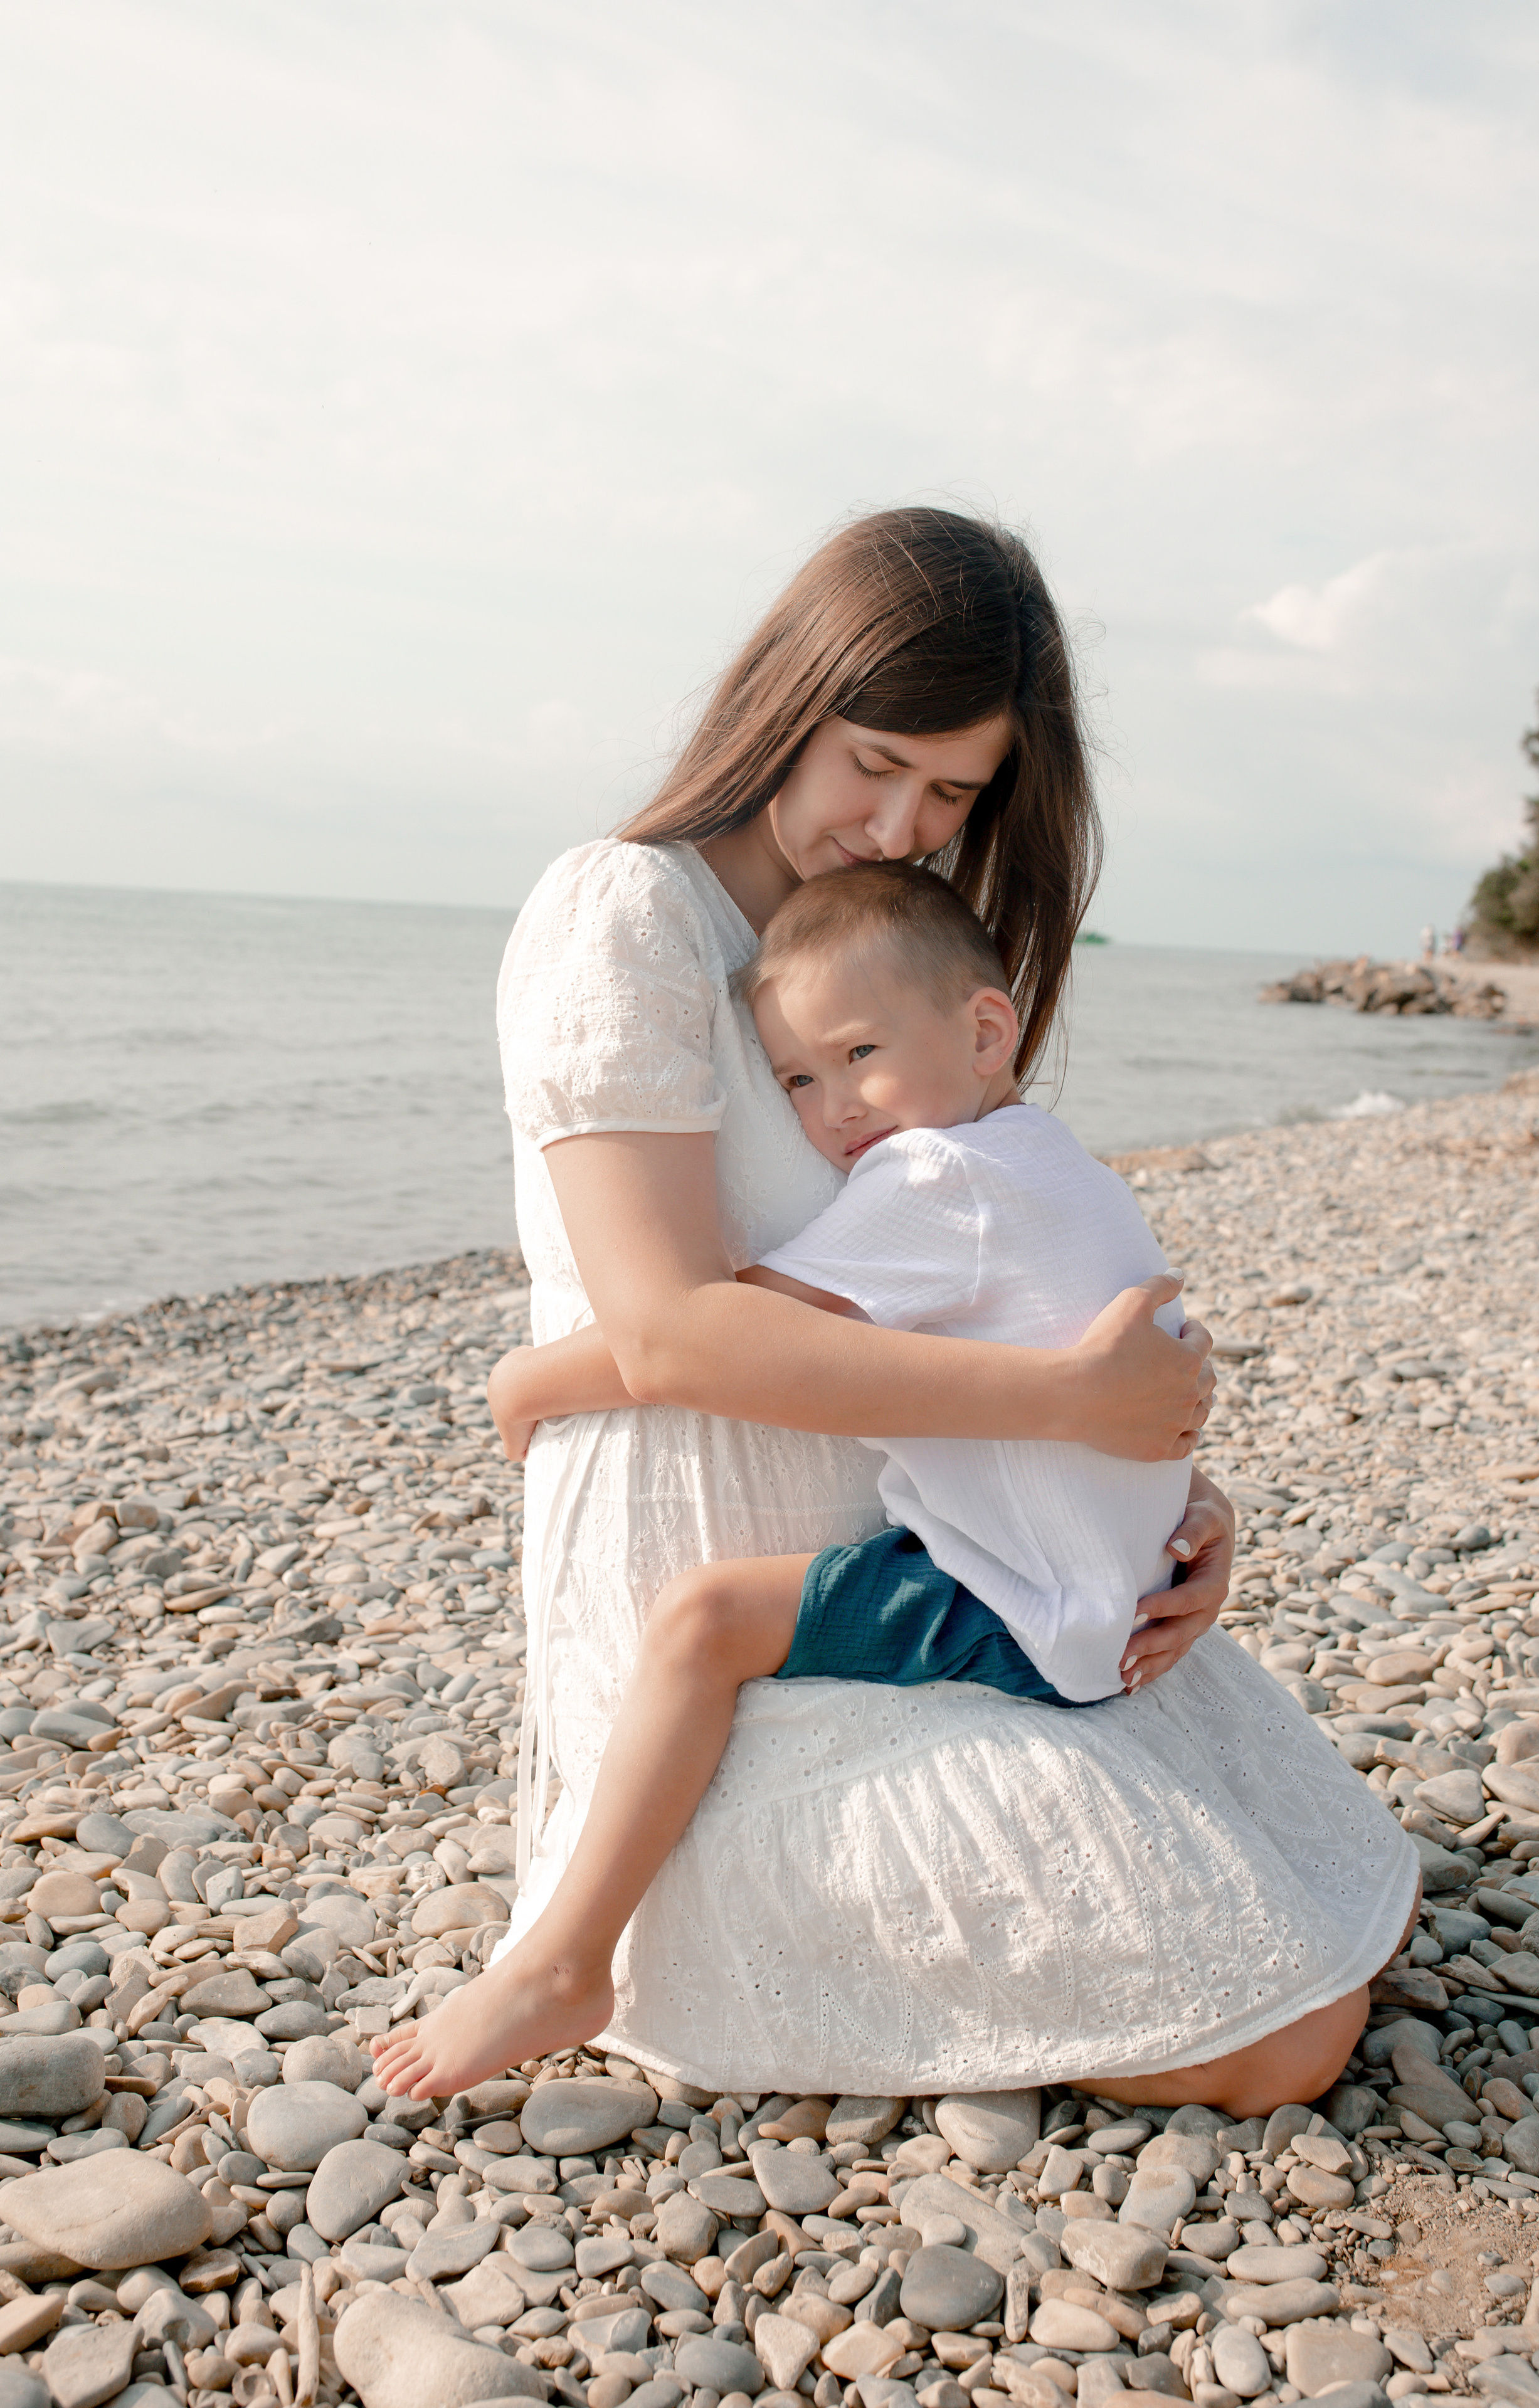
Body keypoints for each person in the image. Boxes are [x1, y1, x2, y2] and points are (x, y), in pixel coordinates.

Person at [384, 509, 1417, 2115]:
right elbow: (668, 1335)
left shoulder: (868, 954)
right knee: (1281, 2034)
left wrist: (1155, 1497)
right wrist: (1077, 1412)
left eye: (951, 794)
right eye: (874, 761)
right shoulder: (625, 916)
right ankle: (584, 1949)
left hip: (944, 1555)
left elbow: (1013, 1287)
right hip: (717, 1599)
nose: (896, 824)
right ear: (784, 699)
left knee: (1323, 1939)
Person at [375, 863, 1202, 2099]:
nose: (833, 1109)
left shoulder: (935, 1183)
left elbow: (732, 1326)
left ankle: (563, 1961)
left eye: (858, 1052)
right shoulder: (1048, 1160)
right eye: (799, 1081)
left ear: (984, 1030)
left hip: (1025, 1605)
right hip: (1111, 1567)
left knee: (702, 1623)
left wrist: (529, 1385)